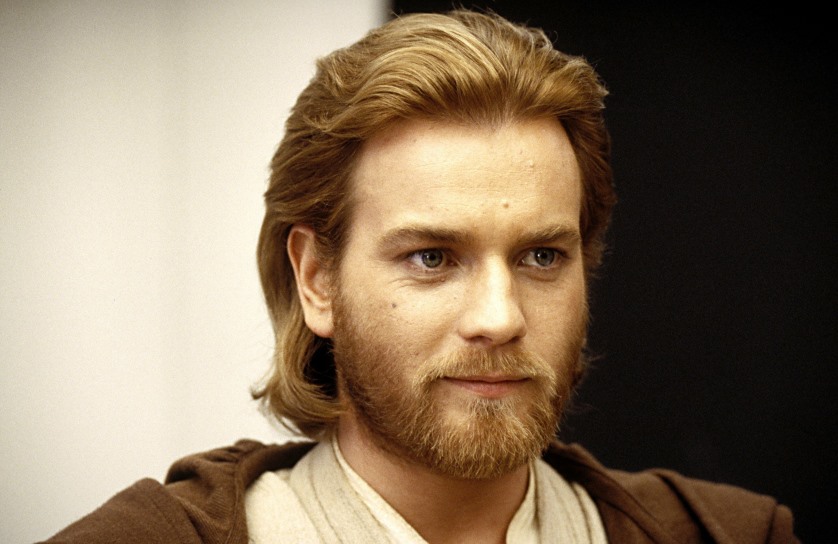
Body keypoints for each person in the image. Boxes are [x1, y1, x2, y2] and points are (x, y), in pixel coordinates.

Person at [42, 9, 798, 544]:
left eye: (541, 257)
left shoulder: (731, 534)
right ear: (317, 280)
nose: (500, 317)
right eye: (432, 257)